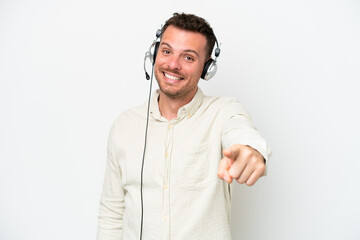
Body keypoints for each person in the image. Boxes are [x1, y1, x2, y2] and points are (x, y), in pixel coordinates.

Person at [97, 12, 271, 240]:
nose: (173, 64)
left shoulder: (223, 111)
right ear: (154, 53)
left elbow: (240, 131)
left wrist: (252, 151)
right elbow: (112, 211)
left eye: (188, 57)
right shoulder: (124, 125)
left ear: (207, 68)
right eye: (167, 51)